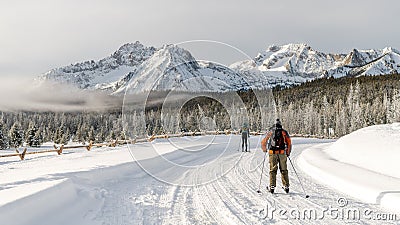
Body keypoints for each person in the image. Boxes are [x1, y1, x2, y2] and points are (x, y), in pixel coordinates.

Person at [261, 119, 292, 194]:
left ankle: (272, 186)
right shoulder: (284, 132)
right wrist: (288, 153)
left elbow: (264, 141)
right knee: (284, 169)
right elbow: (289, 143)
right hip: (282, 153)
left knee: (273, 170)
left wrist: (264, 149)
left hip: (272, 153)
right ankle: (286, 186)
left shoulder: (271, 131)